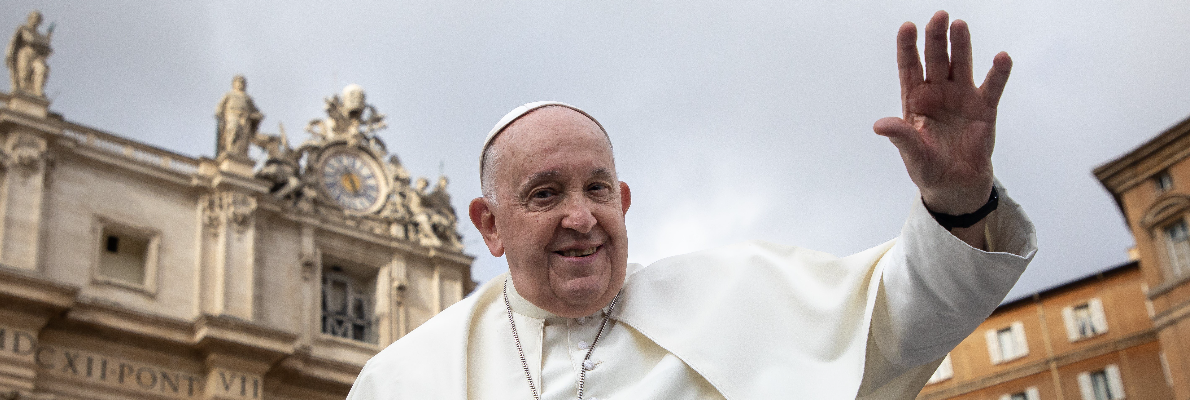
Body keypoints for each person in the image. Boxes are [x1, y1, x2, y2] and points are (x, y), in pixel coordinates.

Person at [347, 10, 1036, 399]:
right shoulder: (406, 380)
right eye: (545, 194)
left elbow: (908, 316)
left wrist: (956, 199)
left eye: (596, 190)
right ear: (489, 226)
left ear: (622, 200)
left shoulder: (738, 296)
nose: (581, 218)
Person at [214, 75, 264, 160]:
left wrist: (257, 116)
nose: (240, 84)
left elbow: (255, 111)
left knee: (243, 137)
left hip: (244, 118)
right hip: (232, 115)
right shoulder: (229, 95)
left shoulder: (247, 98)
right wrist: (219, 113)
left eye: (242, 83)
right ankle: (230, 151)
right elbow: (220, 107)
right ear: (234, 84)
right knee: (233, 129)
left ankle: (239, 155)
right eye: (238, 82)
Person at [6, 10, 53, 97]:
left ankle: (38, 92)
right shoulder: (23, 29)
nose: (36, 20)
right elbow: (13, 42)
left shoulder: (39, 35)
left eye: (38, 19)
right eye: (34, 18)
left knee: (41, 69)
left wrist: (49, 35)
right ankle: (23, 95)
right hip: (25, 53)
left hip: (36, 56)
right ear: (29, 18)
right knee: (24, 75)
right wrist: (10, 54)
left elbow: (45, 45)